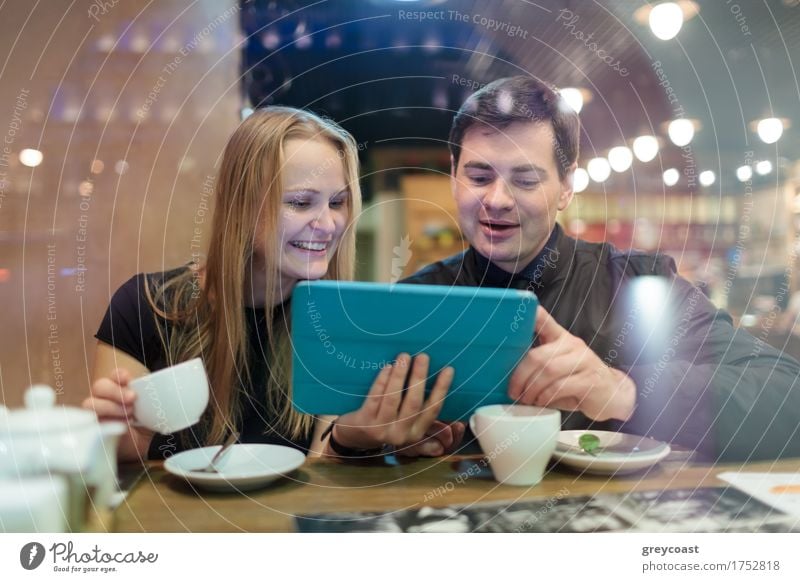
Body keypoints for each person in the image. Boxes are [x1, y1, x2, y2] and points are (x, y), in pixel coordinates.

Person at [402, 76, 800, 462]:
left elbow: (787, 396)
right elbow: (354, 424)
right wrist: (353, 442)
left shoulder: (640, 286)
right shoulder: (415, 301)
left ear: (566, 186)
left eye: (525, 180)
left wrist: (624, 390)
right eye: (479, 176)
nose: (497, 199)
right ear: (454, 173)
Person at [83, 106, 464, 462]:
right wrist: (108, 432)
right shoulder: (145, 306)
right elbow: (117, 453)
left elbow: (321, 470)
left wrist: (356, 439)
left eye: (337, 203)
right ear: (242, 205)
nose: (328, 224)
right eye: (301, 203)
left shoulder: (340, 322)